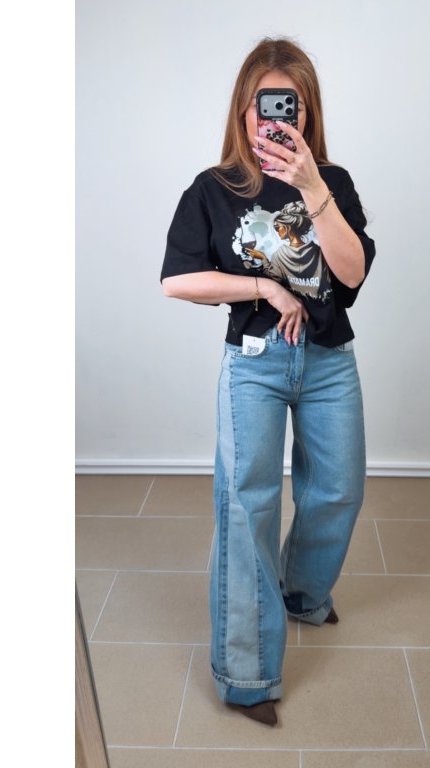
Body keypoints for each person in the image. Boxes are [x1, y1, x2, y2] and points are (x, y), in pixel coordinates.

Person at [160, 37, 376, 727]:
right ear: (244, 110)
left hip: (328, 358)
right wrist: (264, 287)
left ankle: (303, 595)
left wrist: (313, 189)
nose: (278, 119)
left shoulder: (332, 183)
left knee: (338, 488)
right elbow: (177, 280)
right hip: (255, 359)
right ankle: (247, 675)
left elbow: (351, 275)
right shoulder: (214, 188)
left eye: (293, 106)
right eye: (266, 105)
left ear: (308, 115)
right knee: (246, 505)